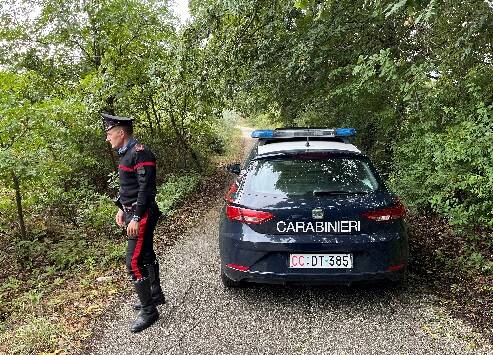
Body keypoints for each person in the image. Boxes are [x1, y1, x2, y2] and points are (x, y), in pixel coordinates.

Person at [102, 112, 165, 333]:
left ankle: (149, 311)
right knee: (146, 254)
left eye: (109, 133)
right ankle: (155, 294)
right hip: (133, 212)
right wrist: (121, 209)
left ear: (121, 132)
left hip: (143, 214)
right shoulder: (126, 153)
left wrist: (136, 217)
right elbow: (129, 187)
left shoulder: (140, 153)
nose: (107, 138)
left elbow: (145, 189)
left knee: (133, 262)